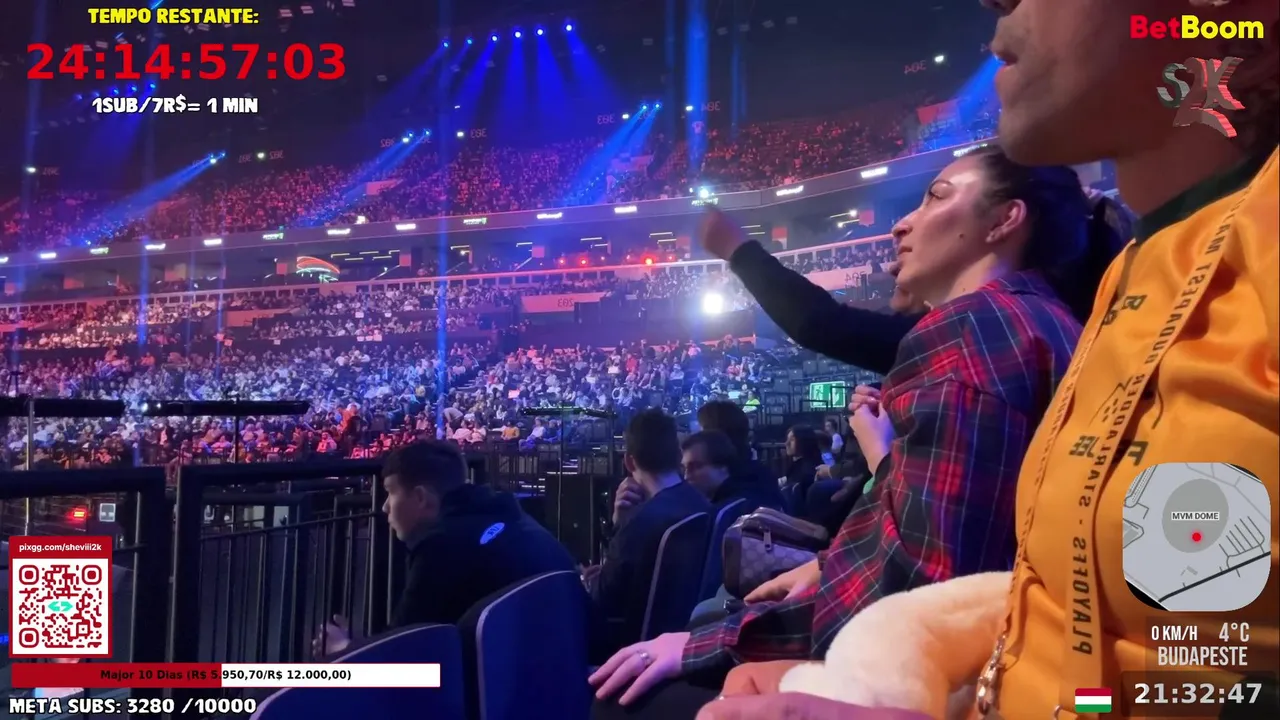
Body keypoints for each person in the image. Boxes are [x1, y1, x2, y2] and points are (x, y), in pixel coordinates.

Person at [689, 0, 1280, 717]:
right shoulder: (1125, 281)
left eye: (938, 195)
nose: (995, 4)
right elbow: (1082, 630)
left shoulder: (990, 326)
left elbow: (1199, 677)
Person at [589, 144, 1129, 717]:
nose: (901, 224)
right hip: (995, 651)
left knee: (621, 697)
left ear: (1004, 220)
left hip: (939, 669)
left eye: (936, 197)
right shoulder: (1048, 321)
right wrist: (827, 568)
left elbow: (916, 587)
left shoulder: (972, 330)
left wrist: (714, 643)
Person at [312, 440, 576, 656]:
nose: (384, 507)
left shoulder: (441, 548)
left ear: (421, 498)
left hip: (497, 693)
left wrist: (344, 650)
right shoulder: (511, 517)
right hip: (555, 679)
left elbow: (401, 667)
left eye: (391, 492)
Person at [592, 409, 713, 655]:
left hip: (631, 651)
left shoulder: (640, 522)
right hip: (689, 642)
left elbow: (601, 599)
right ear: (678, 455)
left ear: (629, 462)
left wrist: (589, 578)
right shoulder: (701, 503)